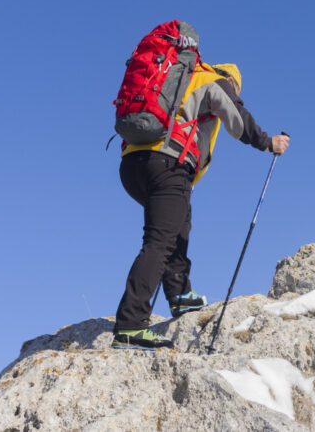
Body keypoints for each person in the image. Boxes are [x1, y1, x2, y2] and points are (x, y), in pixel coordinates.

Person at [112, 59, 289, 350]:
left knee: (177, 226)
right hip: (167, 163)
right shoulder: (214, 81)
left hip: (133, 164)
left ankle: (179, 295)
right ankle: (130, 324)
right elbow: (237, 118)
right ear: (233, 82)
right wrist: (268, 142)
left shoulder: (181, 82)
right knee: (159, 241)